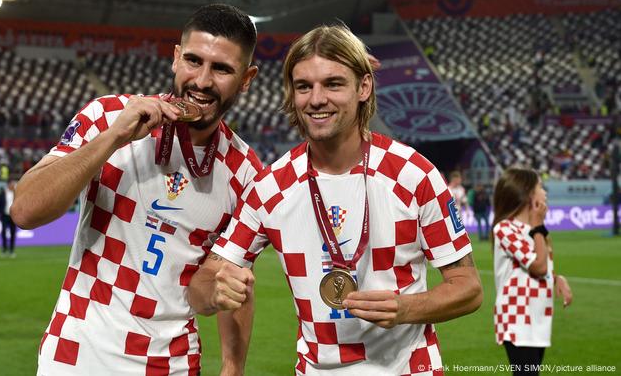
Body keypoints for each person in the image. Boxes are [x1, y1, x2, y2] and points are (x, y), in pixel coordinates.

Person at [188, 25, 483, 375]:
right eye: (304, 86)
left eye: (333, 84)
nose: (316, 99)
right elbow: (202, 282)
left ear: (363, 87)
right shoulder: (270, 188)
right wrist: (214, 291)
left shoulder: (413, 175)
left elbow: (469, 288)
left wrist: (406, 308)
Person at [11, 4, 263, 375]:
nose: (203, 81)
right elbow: (25, 211)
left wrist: (232, 367)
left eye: (222, 68)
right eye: (193, 60)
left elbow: (223, 281)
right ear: (176, 58)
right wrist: (113, 139)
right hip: (75, 357)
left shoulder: (245, 173)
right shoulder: (108, 116)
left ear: (246, 78)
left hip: (172, 365)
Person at [491, 168, 573, 376]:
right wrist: (538, 227)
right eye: (540, 187)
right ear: (527, 194)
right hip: (518, 319)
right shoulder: (505, 228)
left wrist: (556, 279)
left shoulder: (533, 230)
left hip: (537, 318)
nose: (545, 192)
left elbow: (539, 268)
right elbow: (539, 266)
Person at [0, 179, 17, 257]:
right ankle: (4, 249)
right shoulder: (3, 193)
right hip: (5, 215)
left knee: (13, 233)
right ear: (8, 185)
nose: (14, 186)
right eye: (12, 184)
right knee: (4, 232)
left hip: (13, 216)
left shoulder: (16, 193)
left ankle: (11, 250)